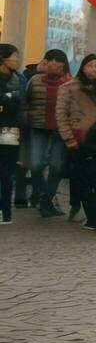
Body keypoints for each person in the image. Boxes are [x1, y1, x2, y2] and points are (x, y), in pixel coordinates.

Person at [56, 55, 96, 232]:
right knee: (82, 179)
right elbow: (61, 115)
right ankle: (92, 215)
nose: (94, 69)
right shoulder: (69, 88)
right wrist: (68, 138)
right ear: (83, 67)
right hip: (80, 139)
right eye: (90, 66)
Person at [26, 49, 71, 217]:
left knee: (57, 167)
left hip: (61, 130)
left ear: (64, 64)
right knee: (36, 164)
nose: (53, 63)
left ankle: (46, 202)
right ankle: (43, 194)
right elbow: (26, 101)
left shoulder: (70, 82)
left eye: (57, 60)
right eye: (50, 59)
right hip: (39, 127)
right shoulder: (35, 80)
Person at [0, 44, 25, 225]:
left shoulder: (19, 79)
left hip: (11, 130)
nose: (17, 60)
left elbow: (21, 104)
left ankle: (5, 212)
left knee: (7, 172)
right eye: (15, 56)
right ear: (3, 59)